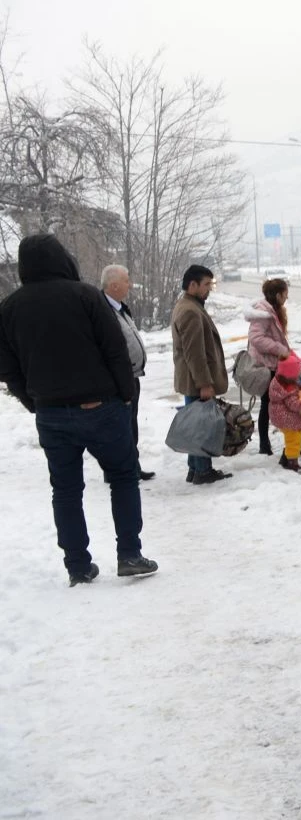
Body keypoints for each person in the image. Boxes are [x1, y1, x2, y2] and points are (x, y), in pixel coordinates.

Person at [0, 235, 157, 584]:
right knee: (123, 477)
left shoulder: (9, 308)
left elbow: (6, 367)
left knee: (66, 490)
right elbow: (114, 348)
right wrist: (126, 394)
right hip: (102, 406)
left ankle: (77, 566)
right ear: (63, 258)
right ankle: (129, 554)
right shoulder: (85, 295)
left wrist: (33, 401)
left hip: (51, 414)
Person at [246, 277, 301, 458]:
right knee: (280, 401)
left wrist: (290, 354)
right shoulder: (263, 313)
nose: (287, 297)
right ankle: (280, 444)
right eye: (285, 294)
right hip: (266, 365)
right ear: (278, 294)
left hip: (274, 363)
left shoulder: (272, 310)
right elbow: (256, 338)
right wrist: (281, 350)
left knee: (274, 402)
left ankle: (288, 442)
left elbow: (275, 337)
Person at [172, 264, 232, 485]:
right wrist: (205, 384)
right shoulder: (190, 311)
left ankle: (194, 468)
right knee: (202, 427)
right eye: (206, 284)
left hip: (193, 380)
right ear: (193, 285)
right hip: (196, 381)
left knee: (197, 424)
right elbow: (194, 353)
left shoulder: (189, 305)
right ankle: (202, 471)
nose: (209, 289)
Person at [101, 264, 156, 481]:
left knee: (130, 423)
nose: (129, 284)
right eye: (126, 280)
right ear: (114, 285)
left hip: (133, 375)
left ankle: (132, 464)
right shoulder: (103, 310)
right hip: (118, 379)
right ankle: (117, 469)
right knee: (119, 426)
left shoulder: (120, 307)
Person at [268, 353, 301, 473]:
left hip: (279, 416)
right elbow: (295, 405)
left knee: (291, 438)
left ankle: (286, 459)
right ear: (291, 375)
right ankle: (292, 463)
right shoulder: (289, 389)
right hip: (287, 418)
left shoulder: (279, 379)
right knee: (294, 440)